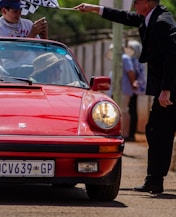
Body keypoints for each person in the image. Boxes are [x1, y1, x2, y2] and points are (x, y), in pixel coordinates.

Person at [74, 0, 176, 194]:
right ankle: (154, 180)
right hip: (167, 88)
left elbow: (173, 56)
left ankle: (155, 180)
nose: (133, 5)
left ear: (146, 2)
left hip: (171, 90)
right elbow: (123, 17)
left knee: (158, 132)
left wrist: (167, 89)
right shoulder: (150, 16)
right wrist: (95, 8)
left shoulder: (162, 21)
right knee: (156, 131)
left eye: (136, 2)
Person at [107, 44, 137, 141]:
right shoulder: (118, 59)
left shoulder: (124, 58)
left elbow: (130, 72)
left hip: (124, 89)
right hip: (118, 89)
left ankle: (124, 134)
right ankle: (122, 133)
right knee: (122, 111)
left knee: (123, 111)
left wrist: (133, 83)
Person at [125, 40, 146, 142]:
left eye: (131, 48)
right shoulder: (131, 59)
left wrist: (135, 84)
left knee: (132, 112)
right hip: (130, 89)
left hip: (132, 90)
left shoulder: (136, 61)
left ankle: (131, 134)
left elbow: (137, 76)